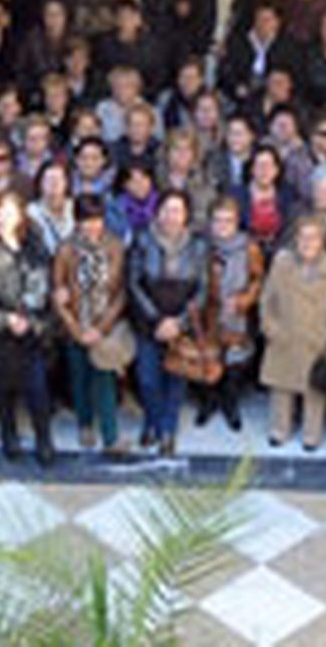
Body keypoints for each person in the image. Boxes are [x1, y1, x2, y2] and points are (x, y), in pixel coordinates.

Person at [0, 192, 56, 464]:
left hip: (31, 331)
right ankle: (9, 432)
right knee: (2, 391)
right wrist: (5, 321)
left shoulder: (35, 246)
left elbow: (47, 287)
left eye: (8, 211)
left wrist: (37, 321)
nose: (2, 217)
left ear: (20, 215)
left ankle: (44, 438)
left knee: (38, 388)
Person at [128, 190, 208, 457]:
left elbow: (202, 289)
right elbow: (134, 283)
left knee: (176, 378)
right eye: (166, 210)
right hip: (149, 320)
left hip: (181, 323)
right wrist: (157, 320)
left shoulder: (198, 245)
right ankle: (151, 421)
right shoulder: (142, 239)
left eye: (177, 211)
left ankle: (167, 430)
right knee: (148, 379)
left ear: (186, 215)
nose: (171, 217)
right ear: (157, 212)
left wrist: (179, 322)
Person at [52, 194, 130, 454]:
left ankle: (110, 437)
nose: (92, 226)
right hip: (76, 324)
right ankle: (84, 424)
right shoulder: (66, 249)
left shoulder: (115, 246)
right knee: (80, 378)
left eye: (96, 220)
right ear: (76, 221)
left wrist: (101, 328)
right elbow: (58, 295)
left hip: (103, 324)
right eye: (86, 220)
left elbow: (120, 293)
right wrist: (77, 331)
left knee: (104, 377)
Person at [259, 216, 326, 451]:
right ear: (295, 239)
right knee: (281, 387)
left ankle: (311, 434)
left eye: (314, 237)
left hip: (317, 337)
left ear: (323, 240)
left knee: (315, 390)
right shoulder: (282, 264)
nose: (308, 242)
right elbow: (267, 298)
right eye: (303, 237)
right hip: (284, 334)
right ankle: (279, 430)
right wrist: (269, 327)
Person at [198, 197, 266, 430]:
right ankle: (208, 401)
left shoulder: (249, 247)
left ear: (237, 222)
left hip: (237, 313)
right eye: (217, 220)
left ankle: (230, 403)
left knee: (234, 361)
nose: (222, 226)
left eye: (228, 221)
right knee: (208, 356)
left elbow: (258, 279)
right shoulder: (202, 245)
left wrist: (245, 299)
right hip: (209, 311)